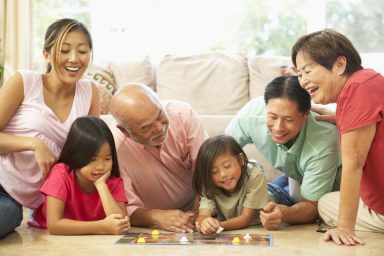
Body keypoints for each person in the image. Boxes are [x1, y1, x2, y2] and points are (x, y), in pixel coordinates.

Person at [0, 18, 100, 238]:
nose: (74, 59)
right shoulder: (24, 82)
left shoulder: (90, 92)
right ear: (46, 54)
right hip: (2, 182)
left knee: (7, 216)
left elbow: (92, 154)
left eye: (82, 51)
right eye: (64, 50)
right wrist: (35, 144)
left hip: (22, 202)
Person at [292, 29, 384, 246]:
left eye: (307, 71)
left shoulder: (357, 89)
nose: (303, 81)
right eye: (299, 74)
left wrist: (344, 227)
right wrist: (341, 118)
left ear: (339, 65)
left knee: (324, 204)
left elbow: (354, 163)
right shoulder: (368, 81)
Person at [225, 75, 341, 230]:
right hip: (295, 172)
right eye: (272, 117)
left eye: (288, 119)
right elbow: (218, 153)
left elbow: (311, 207)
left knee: (291, 200)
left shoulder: (323, 142)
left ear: (305, 115)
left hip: (331, 177)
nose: (279, 128)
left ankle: (280, 189)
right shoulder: (252, 114)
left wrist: (285, 213)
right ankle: (281, 185)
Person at [109, 83, 209, 233]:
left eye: (159, 116)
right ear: (125, 131)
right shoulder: (114, 149)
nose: (159, 129)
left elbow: (207, 170)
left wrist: (200, 212)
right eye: (146, 128)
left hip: (201, 203)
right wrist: (154, 216)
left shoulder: (183, 115)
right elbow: (123, 210)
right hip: (152, 220)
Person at [29, 116, 129, 235]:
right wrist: (101, 226)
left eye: (107, 158)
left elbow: (120, 223)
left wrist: (101, 186)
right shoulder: (60, 174)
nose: (101, 166)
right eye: (93, 159)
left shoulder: (112, 180)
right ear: (76, 155)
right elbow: (54, 225)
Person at [193, 135, 268, 234]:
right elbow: (203, 215)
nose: (223, 175)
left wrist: (218, 226)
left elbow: (245, 218)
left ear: (241, 159)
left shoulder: (255, 175)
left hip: (275, 194)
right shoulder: (209, 182)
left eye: (227, 166)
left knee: (286, 189)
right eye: (214, 172)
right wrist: (204, 223)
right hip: (259, 187)